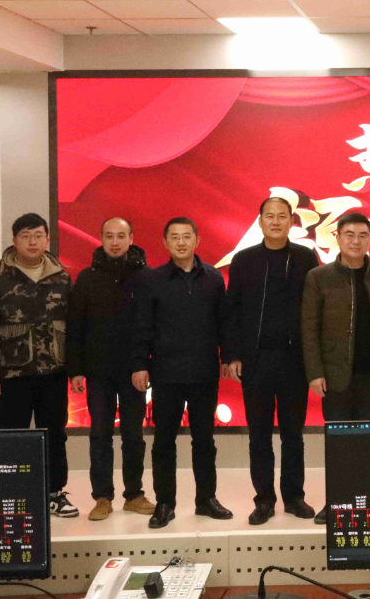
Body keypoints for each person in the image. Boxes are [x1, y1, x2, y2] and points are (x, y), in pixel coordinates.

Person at [0, 213, 77, 518]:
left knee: (55, 433)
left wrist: (76, 370)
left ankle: (54, 493)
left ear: (47, 240)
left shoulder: (62, 277)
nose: (32, 242)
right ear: (15, 240)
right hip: (12, 374)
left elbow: (75, 327)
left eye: (38, 236)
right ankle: (6, 494)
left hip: (53, 372)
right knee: (10, 434)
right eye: (26, 236)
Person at [132, 217, 232, 529]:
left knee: (205, 441)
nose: (180, 242)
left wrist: (227, 357)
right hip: (166, 373)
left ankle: (206, 499)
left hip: (204, 372)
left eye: (186, 236)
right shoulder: (153, 280)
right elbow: (142, 327)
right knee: (164, 442)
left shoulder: (213, 278)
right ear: (165, 243)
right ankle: (165, 503)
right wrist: (140, 364)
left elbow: (224, 323)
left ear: (197, 240)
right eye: (174, 237)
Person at [225, 197, 319, 526]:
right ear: (260, 221)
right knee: (259, 435)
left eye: (282, 216)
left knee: (293, 434)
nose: (276, 222)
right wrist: (232, 355)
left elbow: (315, 309)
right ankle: (263, 500)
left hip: (294, 360)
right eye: (270, 216)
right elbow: (232, 310)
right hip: (256, 360)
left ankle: (294, 497)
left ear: (292, 222)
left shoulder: (306, 257)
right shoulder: (244, 260)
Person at [302, 211, 370, 521]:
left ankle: (364, 499)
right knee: (339, 443)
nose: (356, 241)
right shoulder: (319, 277)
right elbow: (309, 329)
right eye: (350, 235)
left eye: (362, 235)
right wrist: (315, 372)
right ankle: (336, 502)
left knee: (365, 441)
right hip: (335, 374)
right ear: (338, 238)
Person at [66, 217, 155, 521]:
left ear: (131, 238)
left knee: (133, 435)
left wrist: (146, 365)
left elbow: (153, 327)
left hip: (134, 371)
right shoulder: (87, 278)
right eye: (109, 236)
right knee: (99, 435)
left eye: (120, 236)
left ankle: (134, 495)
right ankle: (102, 497)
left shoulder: (147, 277)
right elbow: (76, 326)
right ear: (101, 239)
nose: (115, 242)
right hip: (98, 371)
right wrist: (76, 370)